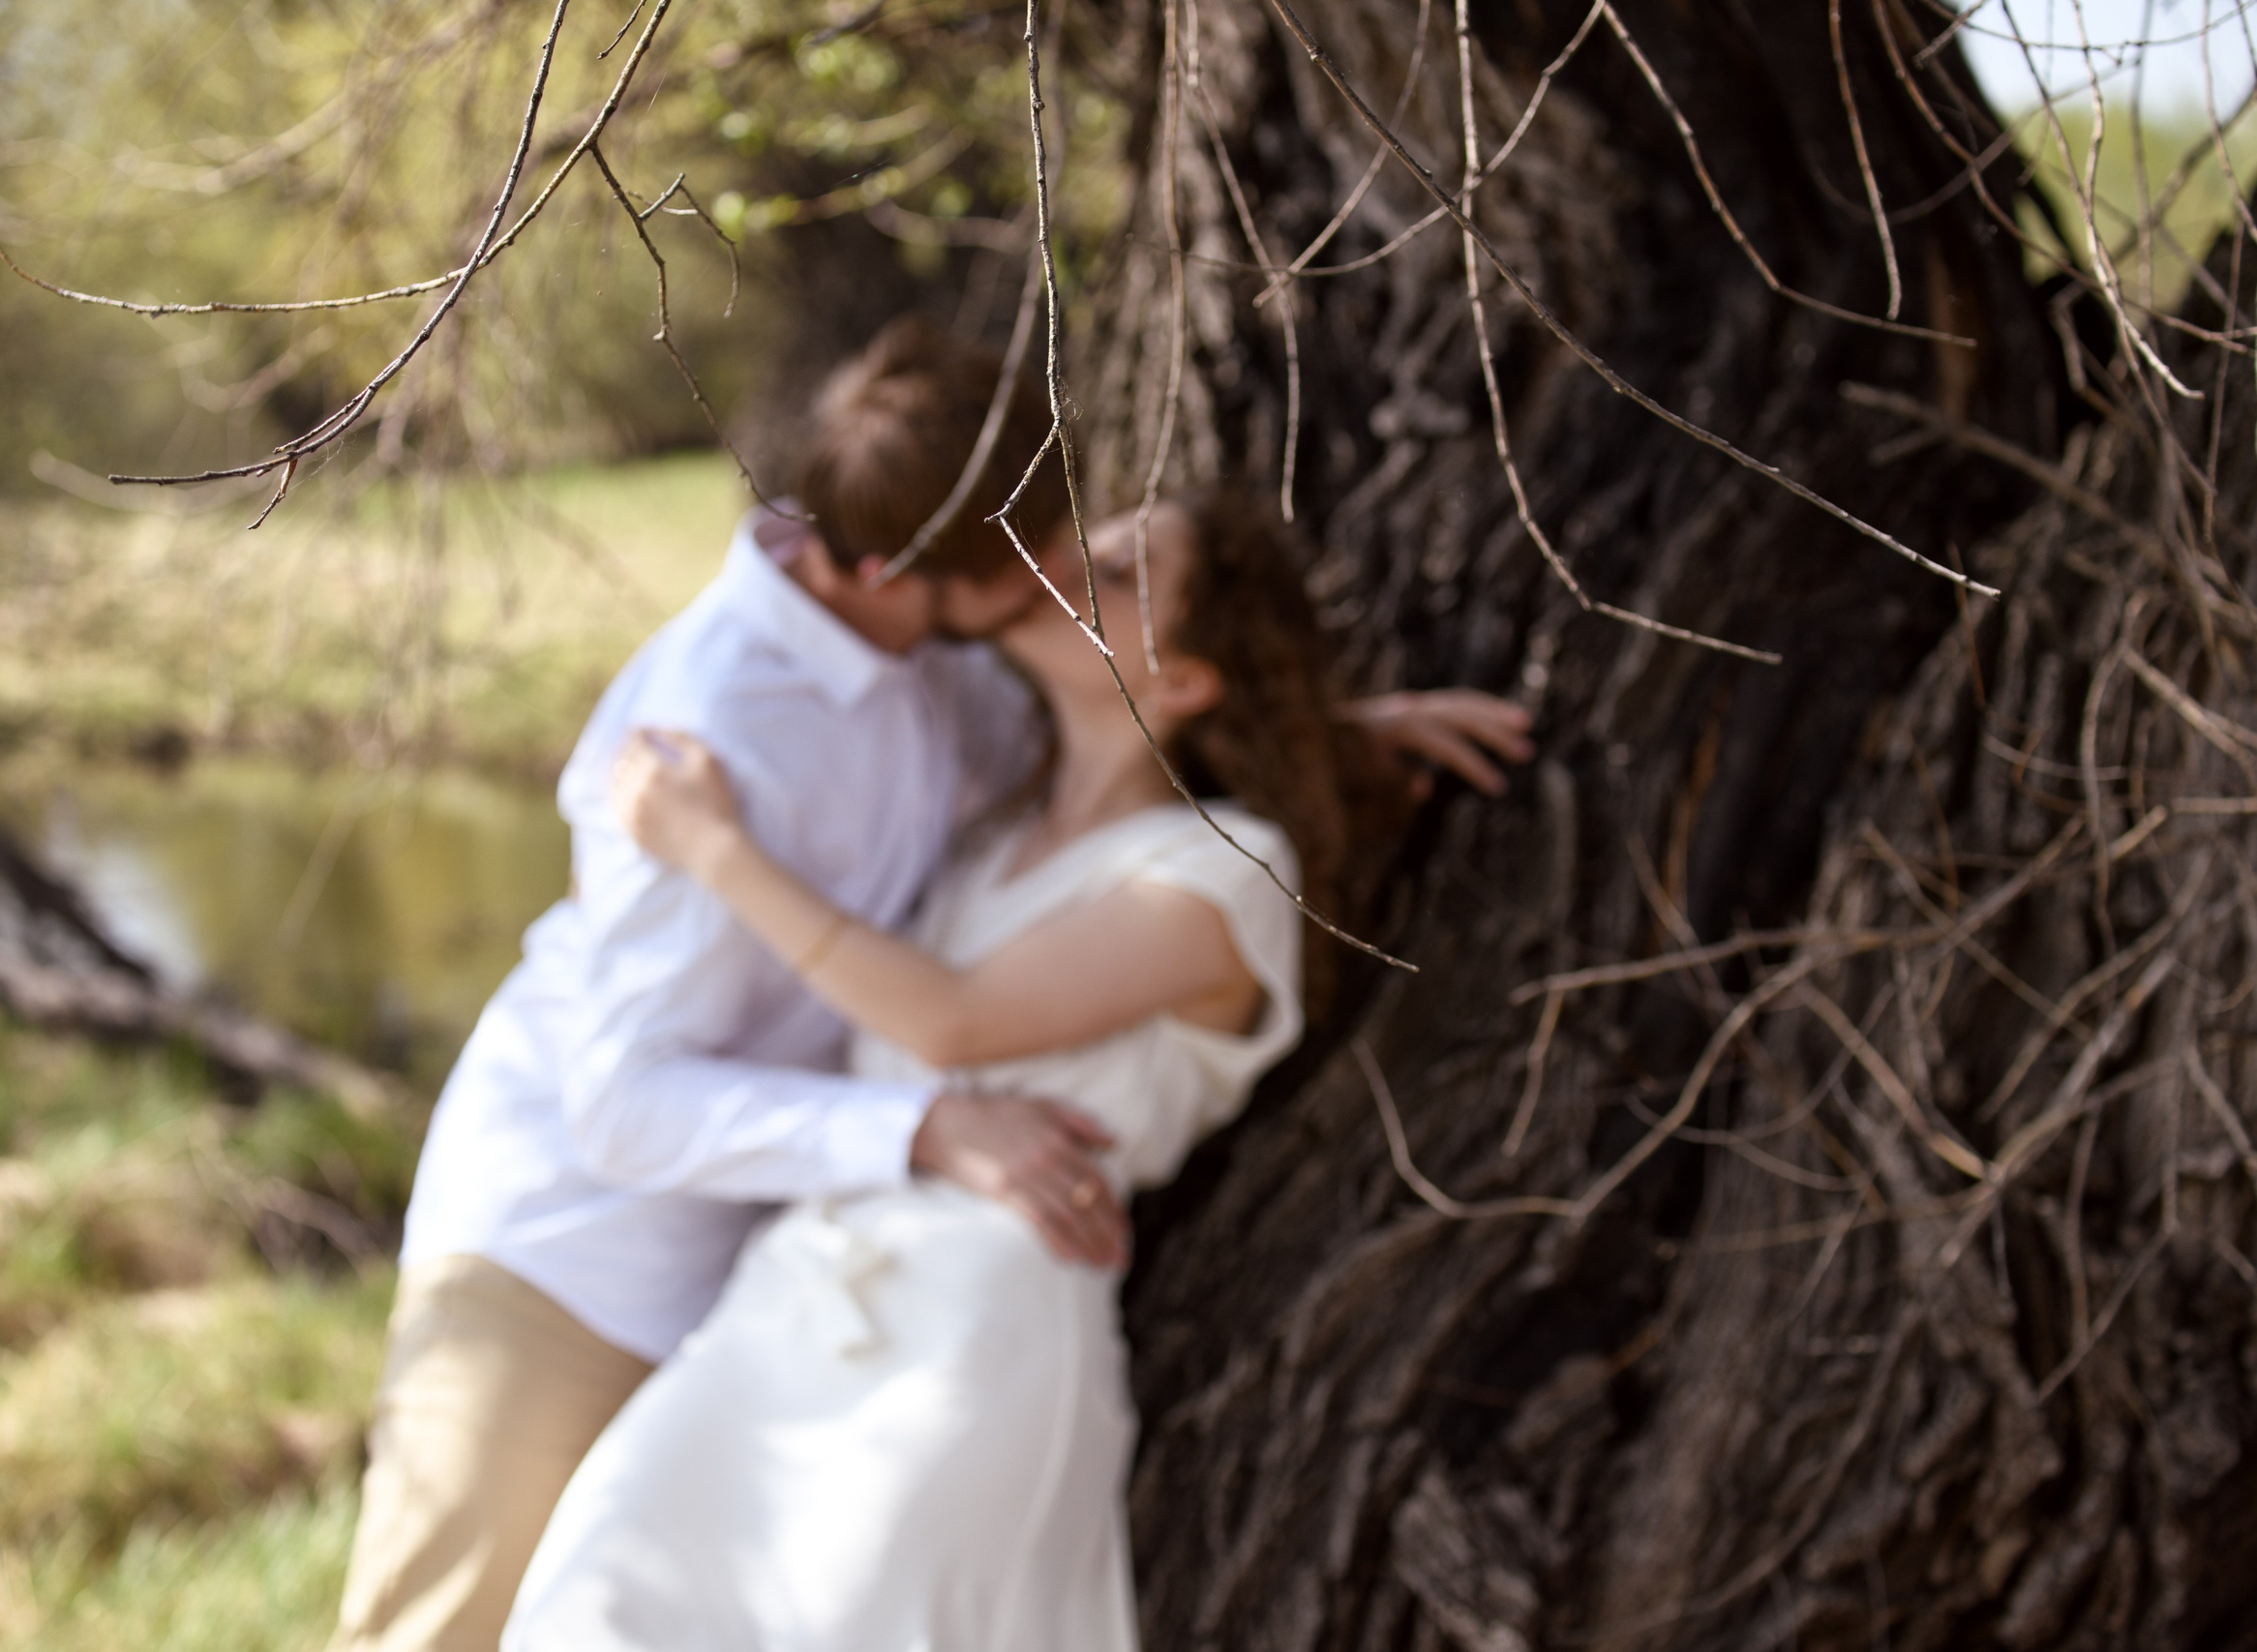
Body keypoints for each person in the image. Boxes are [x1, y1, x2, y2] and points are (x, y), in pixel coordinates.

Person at [328, 319, 1531, 1652]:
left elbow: (1144, 767)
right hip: (582, 1242)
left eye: (1084, 550)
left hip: (838, 1270)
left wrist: (1324, 733)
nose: (1059, 568)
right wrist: (917, 1120)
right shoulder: (705, 734)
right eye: (1038, 554)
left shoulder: (962, 669)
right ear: (891, 570)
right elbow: (622, 1099)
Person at [504, 486, 1416, 1652]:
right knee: (599, 1606)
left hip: (969, 1334)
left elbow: (953, 1022)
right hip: (793, 1291)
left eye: (1131, 574)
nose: (1080, 561)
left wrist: (717, 850)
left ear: (1184, 682)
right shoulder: (987, 834)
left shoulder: (1225, 872)